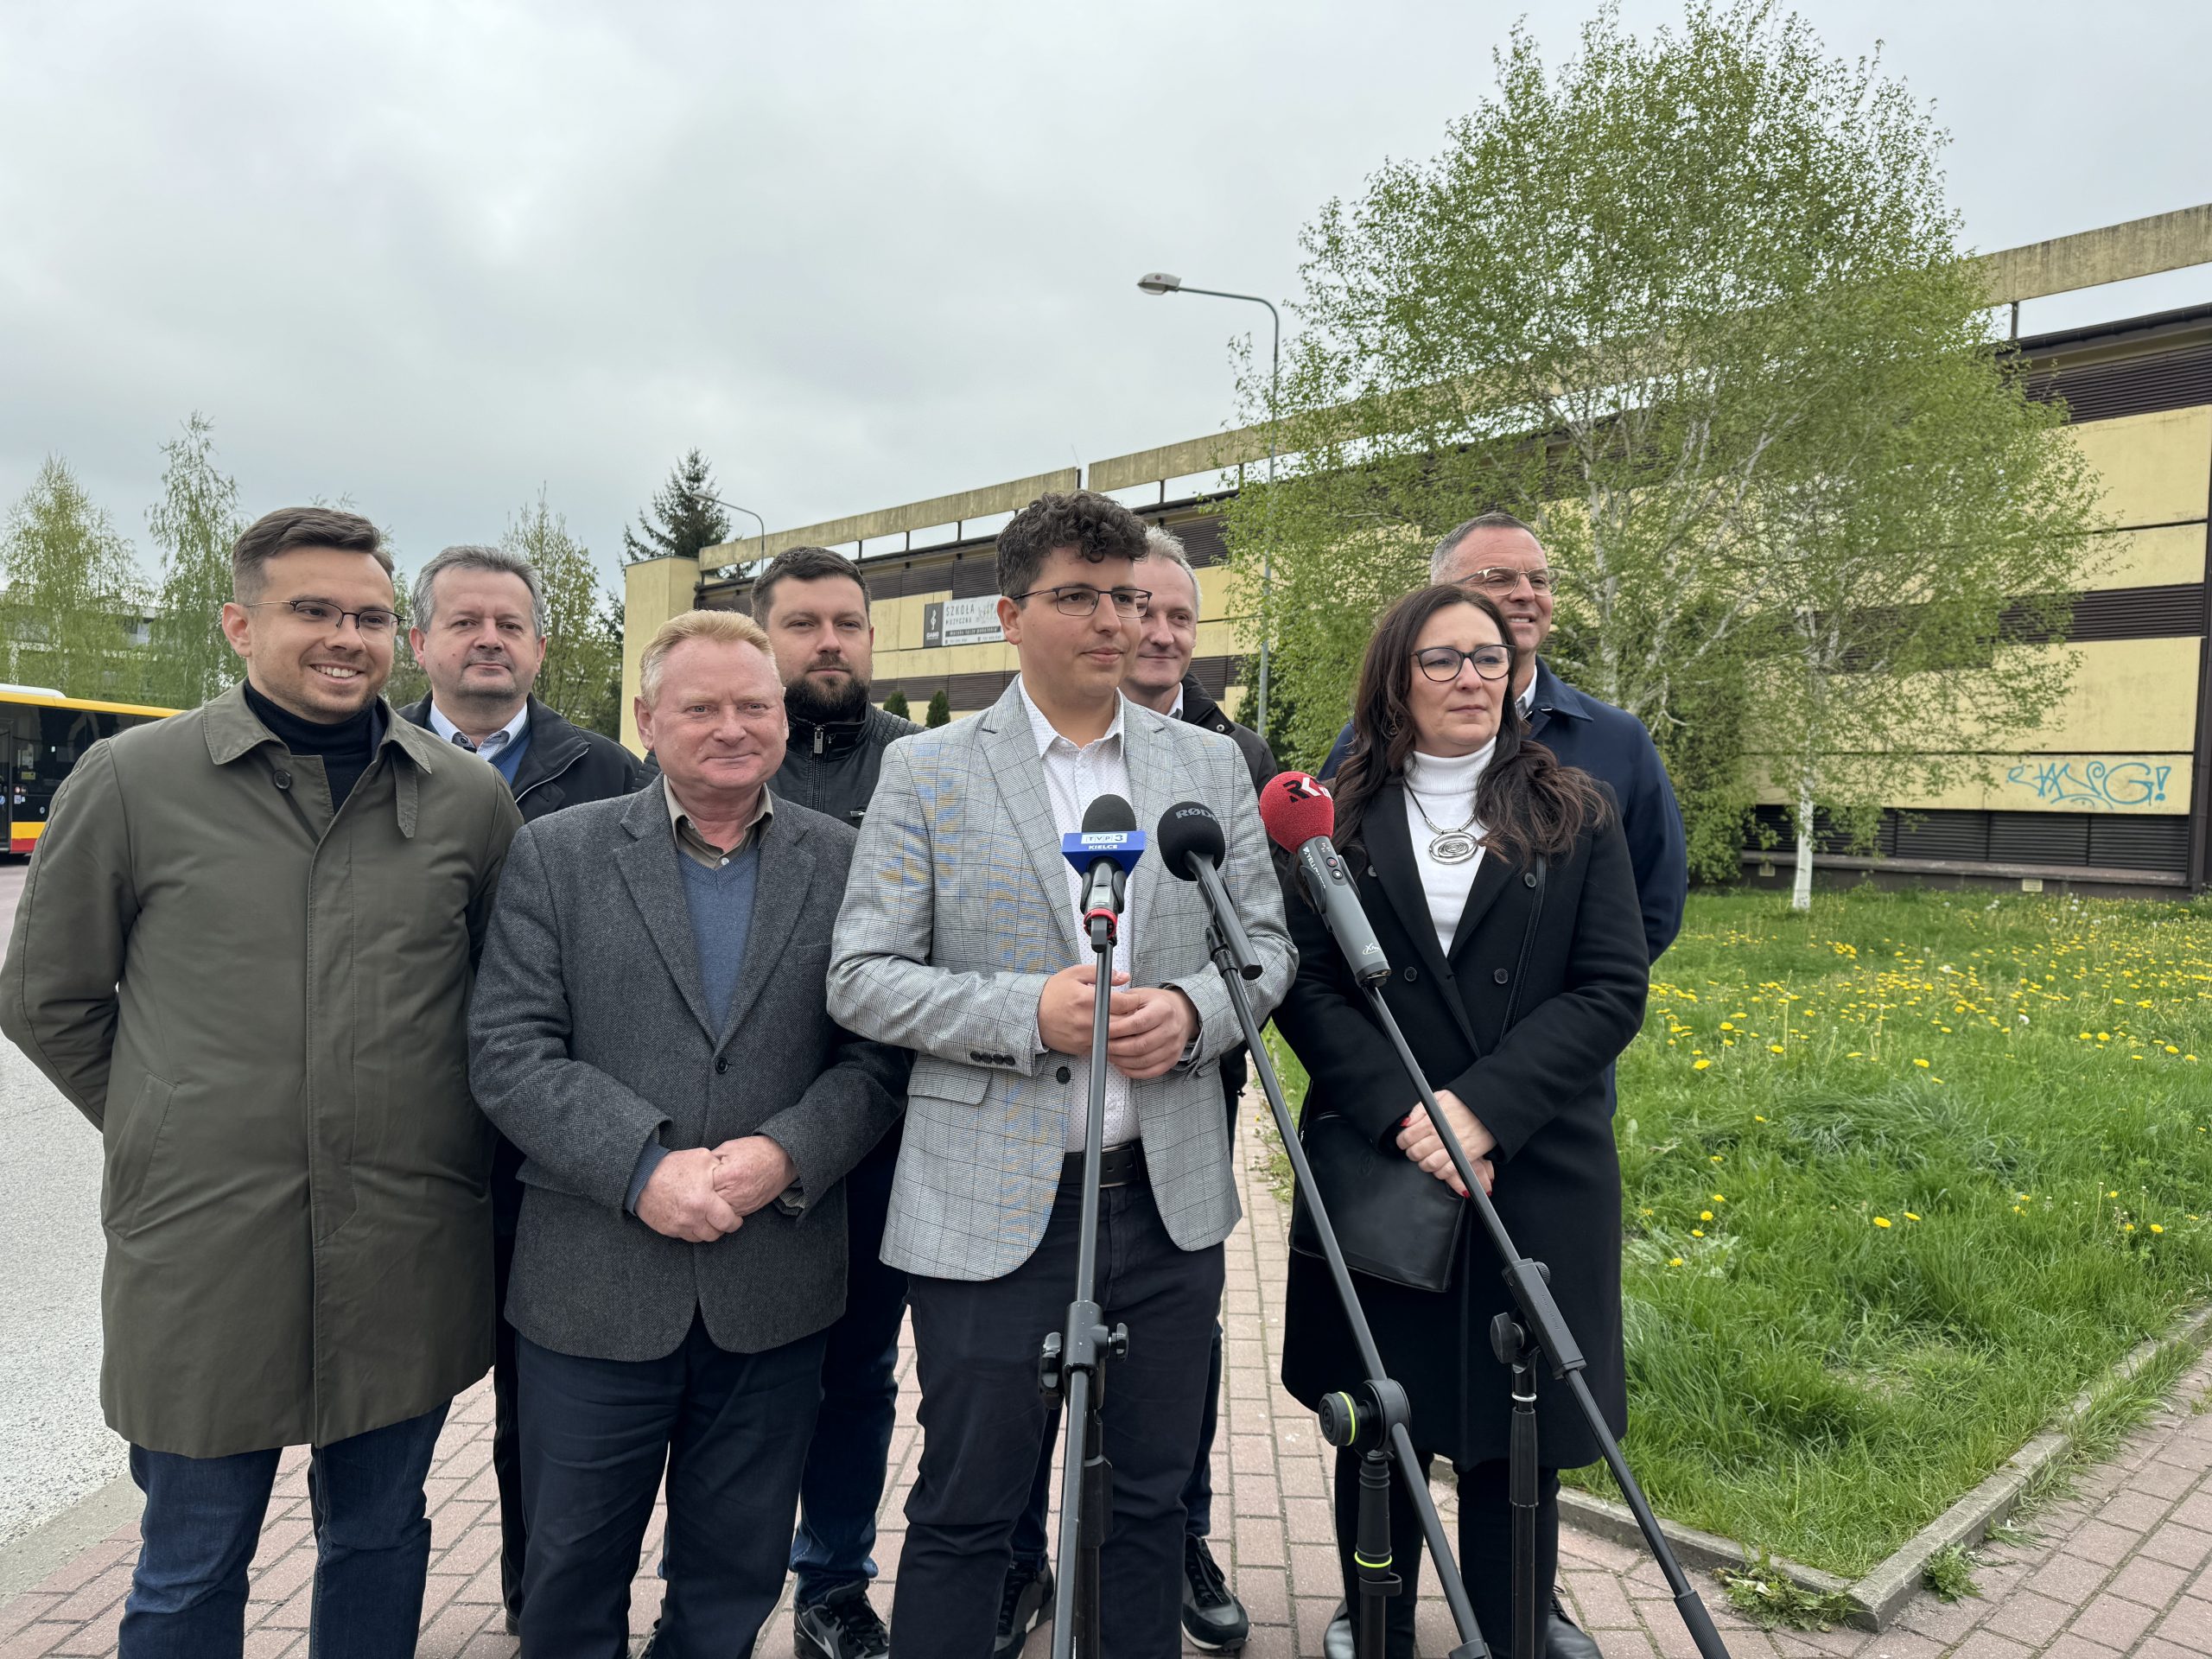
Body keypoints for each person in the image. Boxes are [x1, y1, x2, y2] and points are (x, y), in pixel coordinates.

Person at [0, 506, 523, 1656]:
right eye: (312, 611)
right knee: (191, 1561)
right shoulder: (133, 782)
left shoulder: (466, 800)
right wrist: (163, 1120)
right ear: (239, 625)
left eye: (369, 617)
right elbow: (46, 995)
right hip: (206, 1247)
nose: (345, 637)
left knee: (380, 1534)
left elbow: (503, 1011)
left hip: (405, 1242)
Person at [828, 491, 1294, 1659]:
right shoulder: (929, 771)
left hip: (1163, 1201)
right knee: (968, 1507)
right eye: (1078, 596)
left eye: (1125, 597)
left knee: (1146, 1505)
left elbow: (1266, 947)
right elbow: (862, 977)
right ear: (1010, 614)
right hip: (989, 1208)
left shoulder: (1207, 766)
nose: (1114, 621)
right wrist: (1024, 1013)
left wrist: (1191, 1014)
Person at [467, 609, 907, 1658]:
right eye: (700, 706)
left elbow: (878, 1058)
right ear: (647, 718)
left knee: (735, 1573)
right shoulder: (556, 854)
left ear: (783, 720)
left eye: (753, 705)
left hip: (773, 1282)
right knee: (569, 1570)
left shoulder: (848, 863)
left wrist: (787, 1153)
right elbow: (508, 1050)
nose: (731, 727)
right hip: (593, 1286)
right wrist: (642, 1168)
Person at [1275, 584, 1649, 1659]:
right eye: (1441, 659)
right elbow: (1305, 984)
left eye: (1488, 657)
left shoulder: (1575, 810)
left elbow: (1610, 986)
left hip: (1532, 1163)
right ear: (1396, 678)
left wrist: (1482, 1110)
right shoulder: (1332, 818)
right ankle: (1375, 1616)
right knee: (1379, 1413)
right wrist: (1411, 1114)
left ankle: (1511, 1624)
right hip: (1385, 1157)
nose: (1471, 677)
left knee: (1515, 1421)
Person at [1006, 524, 1276, 1653]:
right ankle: (1020, 1560)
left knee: (1169, 1388)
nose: (1146, 629)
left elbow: (1262, 943)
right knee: (1012, 1396)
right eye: (1127, 605)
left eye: (1170, 614)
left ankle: (1180, 1542)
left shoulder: (1228, 756)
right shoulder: (990, 758)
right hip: (1021, 1146)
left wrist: (1195, 1015)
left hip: (1177, 1125)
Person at [397, 541, 649, 1634]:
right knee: (389, 1413)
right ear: (421, 643)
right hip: (407, 1148)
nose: (489, 641)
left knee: (542, 1404)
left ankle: (530, 1602)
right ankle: (373, 1596)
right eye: (465, 622)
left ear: (540, 648)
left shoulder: (608, 774)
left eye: (510, 624)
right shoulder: (368, 759)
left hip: (550, 1152)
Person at [748, 544, 919, 1659]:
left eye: (847, 624)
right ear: (762, 635)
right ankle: (715, 1574)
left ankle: (833, 1580)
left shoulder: (922, 768)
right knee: (738, 1379)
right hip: (735, 1129)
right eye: (803, 623)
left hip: (885, 1131)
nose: (828, 643)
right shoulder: (715, 756)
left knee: (858, 1373)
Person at [1321, 512, 1686, 965]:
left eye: (1540, 579)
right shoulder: (1367, 740)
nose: (1526, 593)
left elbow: (1655, 902)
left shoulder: (1619, 740)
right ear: (1440, 594)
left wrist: (1570, 994)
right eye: (1498, 578)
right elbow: (1326, 890)